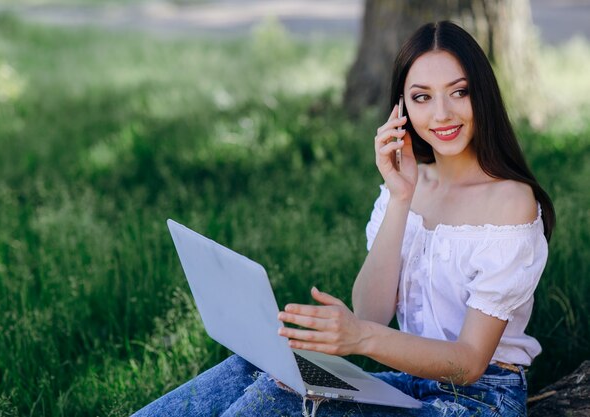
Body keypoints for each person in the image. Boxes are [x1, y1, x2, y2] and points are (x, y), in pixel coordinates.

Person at [132, 20, 555, 417]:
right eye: (422, 96)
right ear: (402, 108)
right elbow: (370, 312)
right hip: (412, 383)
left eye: (458, 92)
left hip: (480, 400)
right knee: (261, 367)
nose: (441, 113)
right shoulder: (410, 185)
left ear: (481, 94)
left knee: (283, 396)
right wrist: (400, 197)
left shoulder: (510, 204)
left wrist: (360, 338)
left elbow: (468, 364)